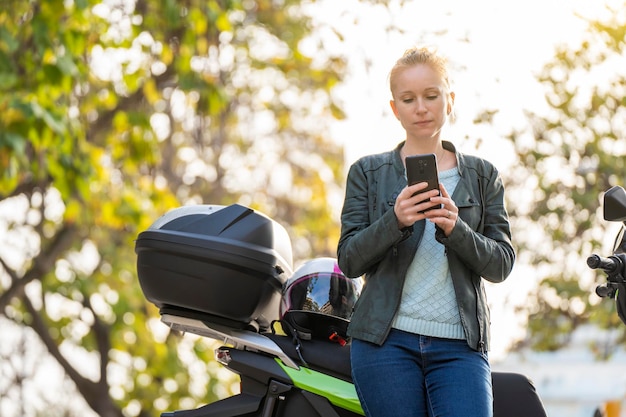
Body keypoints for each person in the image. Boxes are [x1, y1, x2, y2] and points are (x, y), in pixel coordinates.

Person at [337, 46, 515, 417]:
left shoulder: (482, 176)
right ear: (394, 108)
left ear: (449, 100)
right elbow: (350, 260)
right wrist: (395, 220)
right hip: (384, 343)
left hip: (460, 347)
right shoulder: (367, 173)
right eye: (408, 98)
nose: (421, 107)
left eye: (431, 96)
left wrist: (456, 227)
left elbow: (501, 265)